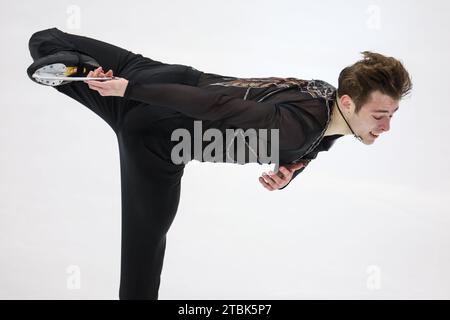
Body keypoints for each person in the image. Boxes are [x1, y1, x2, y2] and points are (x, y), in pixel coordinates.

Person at [27, 27, 412, 300]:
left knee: (45, 39)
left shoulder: (326, 98)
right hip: (157, 133)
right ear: (349, 104)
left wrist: (294, 167)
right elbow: (220, 106)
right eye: (381, 115)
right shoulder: (295, 131)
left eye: (391, 114)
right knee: (144, 251)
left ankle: (79, 68)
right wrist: (128, 90)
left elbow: (316, 138)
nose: (387, 126)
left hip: (167, 76)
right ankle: (88, 78)